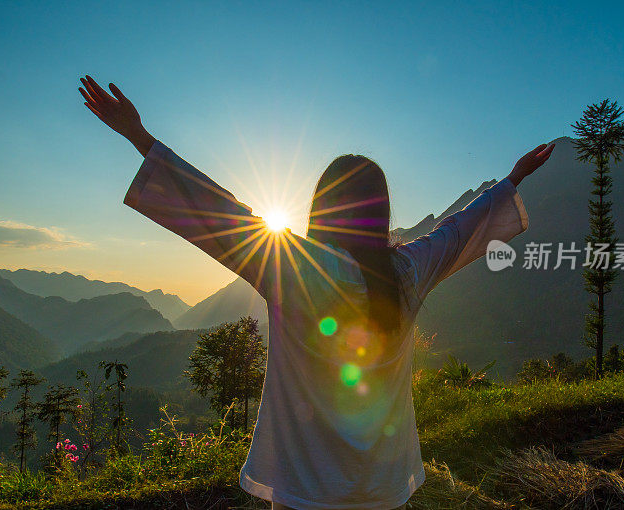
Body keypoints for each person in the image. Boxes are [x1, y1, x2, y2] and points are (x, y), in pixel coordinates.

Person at [79, 75, 554, 510]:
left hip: (304, 486)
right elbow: (457, 232)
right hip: (382, 488)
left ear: (321, 209)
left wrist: (140, 138)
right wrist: (511, 180)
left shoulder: (292, 267)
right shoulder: (407, 270)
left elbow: (219, 210)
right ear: (381, 211)